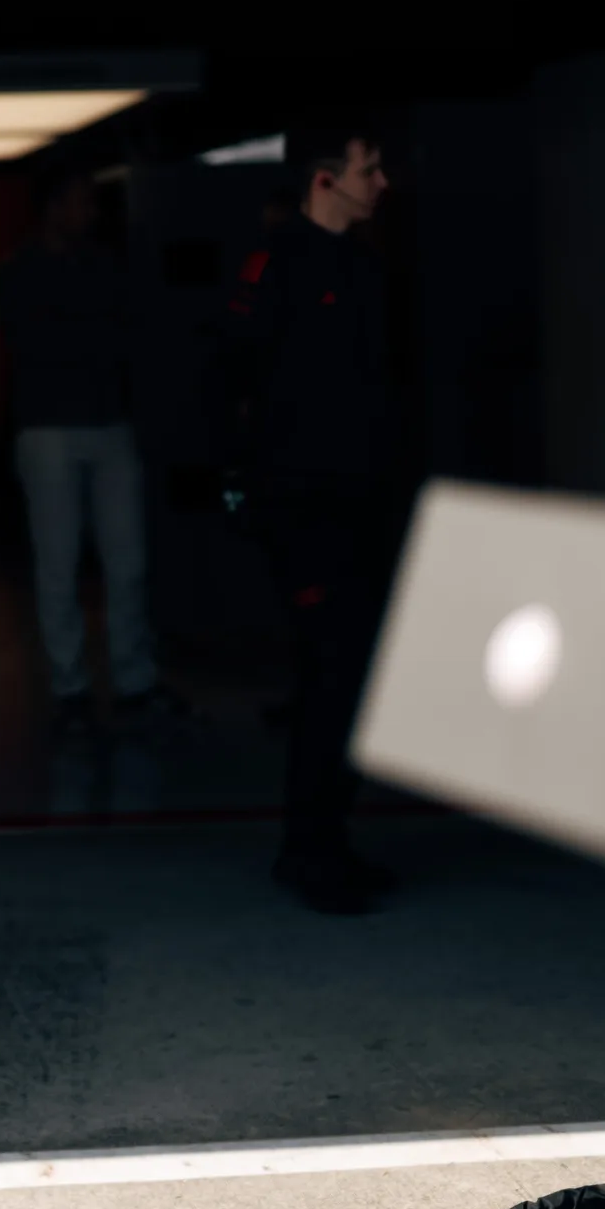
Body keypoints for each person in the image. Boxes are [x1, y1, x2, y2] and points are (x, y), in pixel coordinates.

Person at [222, 127, 398, 915]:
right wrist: (244, 493)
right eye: (370, 170)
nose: (383, 182)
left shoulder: (363, 269)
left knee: (357, 676)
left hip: (362, 501)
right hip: (301, 507)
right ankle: (308, 851)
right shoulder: (277, 267)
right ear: (326, 182)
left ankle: (330, 839)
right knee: (328, 674)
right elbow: (233, 382)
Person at [0, 166, 165, 729]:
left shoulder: (100, 265)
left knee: (127, 564)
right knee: (59, 566)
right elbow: (66, 341)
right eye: (80, 204)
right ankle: (73, 688)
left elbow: (119, 336)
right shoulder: (22, 270)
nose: (90, 214)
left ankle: (131, 681)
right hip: (51, 427)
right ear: (52, 208)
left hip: (103, 423)